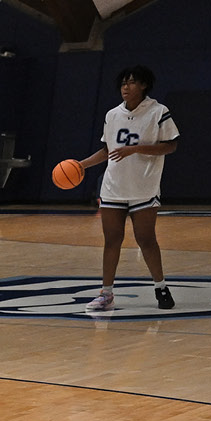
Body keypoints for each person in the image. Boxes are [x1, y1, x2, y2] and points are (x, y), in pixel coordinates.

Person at [74, 64, 178, 313]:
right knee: (112, 240)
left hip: (143, 186)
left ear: (143, 85)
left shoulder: (158, 112)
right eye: (123, 83)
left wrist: (137, 148)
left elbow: (171, 145)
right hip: (113, 187)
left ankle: (161, 287)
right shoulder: (112, 115)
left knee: (146, 239)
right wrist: (82, 165)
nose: (126, 87)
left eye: (131, 82)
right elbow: (107, 150)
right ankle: (106, 294)